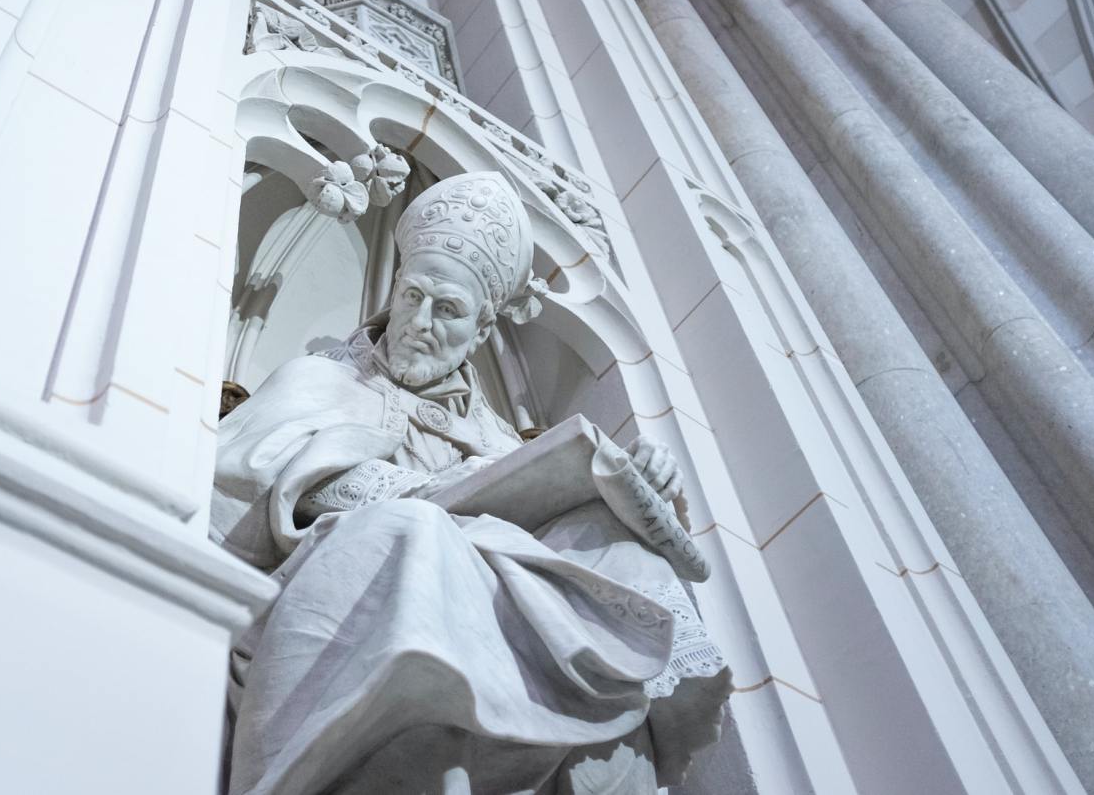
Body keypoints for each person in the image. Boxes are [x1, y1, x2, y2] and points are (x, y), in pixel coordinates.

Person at [213, 171, 730, 794]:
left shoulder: (500, 442)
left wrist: (634, 485)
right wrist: (437, 491)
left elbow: (545, 522)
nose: (419, 321)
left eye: (448, 309)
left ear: (483, 329)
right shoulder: (320, 380)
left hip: (476, 597)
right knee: (415, 529)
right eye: (412, 295)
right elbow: (257, 475)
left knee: (615, 546)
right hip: (341, 582)